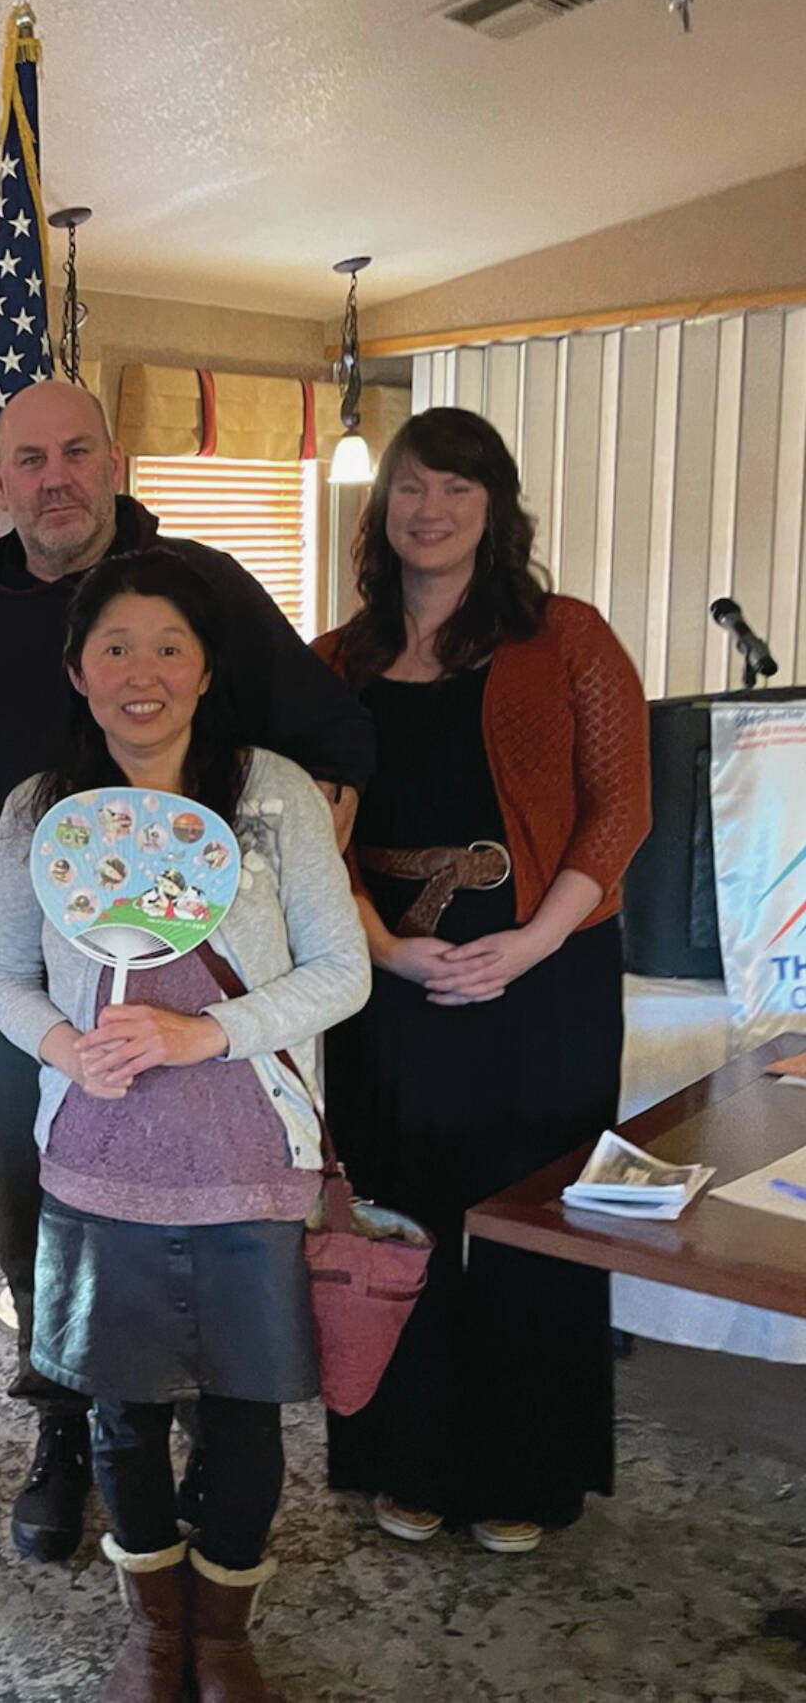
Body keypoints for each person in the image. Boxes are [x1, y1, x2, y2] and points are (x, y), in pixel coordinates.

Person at [0, 378, 373, 1562]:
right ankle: (65, 1423)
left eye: (77, 451)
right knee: (40, 1203)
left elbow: (339, 743)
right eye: (29, 458)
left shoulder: (209, 588)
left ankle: (215, 1501)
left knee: (229, 1278)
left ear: (114, 463)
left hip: (229, 1030)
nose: (54, 476)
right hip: (62, 1005)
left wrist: (289, 845)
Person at [0, 547, 369, 1701]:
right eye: (114, 648)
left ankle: (226, 1629)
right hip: (99, 1157)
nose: (139, 672)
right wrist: (64, 1045)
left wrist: (214, 1033)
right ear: (77, 670)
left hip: (250, 1154)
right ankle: (155, 1630)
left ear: (205, 670)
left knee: (247, 1415)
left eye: (167, 648)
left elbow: (342, 970)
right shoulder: (38, 812)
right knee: (122, 1411)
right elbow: (1, 972)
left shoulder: (271, 795)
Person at [314, 407, 651, 1554]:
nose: (431, 509)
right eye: (411, 486)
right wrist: (387, 948)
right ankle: (398, 1454)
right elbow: (309, 837)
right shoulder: (336, 661)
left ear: (496, 509)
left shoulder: (569, 638)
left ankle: (525, 1471)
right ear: (382, 507)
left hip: (542, 980)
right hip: (384, 983)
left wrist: (532, 941)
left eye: (458, 489)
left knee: (528, 1223)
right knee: (394, 1213)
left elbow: (620, 808)